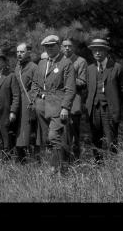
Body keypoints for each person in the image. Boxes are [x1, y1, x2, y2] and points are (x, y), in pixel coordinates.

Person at [31, 35, 76, 174]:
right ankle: (60, 167)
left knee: (54, 136)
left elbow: (70, 88)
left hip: (58, 105)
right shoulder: (42, 63)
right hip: (41, 106)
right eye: (46, 46)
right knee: (47, 139)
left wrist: (65, 107)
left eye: (52, 46)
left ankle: (56, 168)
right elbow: (34, 83)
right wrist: (35, 99)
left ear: (58, 46)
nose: (49, 49)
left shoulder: (65, 63)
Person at [85, 38, 123, 162]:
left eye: (100, 50)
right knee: (95, 140)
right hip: (94, 109)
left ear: (106, 51)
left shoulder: (117, 67)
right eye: (94, 50)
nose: (97, 53)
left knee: (111, 140)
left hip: (109, 109)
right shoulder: (90, 69)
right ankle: (98, 165)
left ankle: (113, 167)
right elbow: (88, 88)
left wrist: (115, 105)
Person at [62, 39, 87, 160]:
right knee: (60, 134)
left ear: (74, 47)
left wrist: (67, 79)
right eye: (65, 46)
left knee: (74, 134)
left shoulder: (80, 61)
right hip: (59, 101)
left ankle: (76, 161)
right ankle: (63, 161)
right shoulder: (59, 61)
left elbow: (82, 82)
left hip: (74, 103)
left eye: (69, 46)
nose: (67, 48)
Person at [14, 42, 38, 162]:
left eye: (22, 52)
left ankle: (28, 159)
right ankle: (19, 157)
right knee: (17, 129)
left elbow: (36, 85)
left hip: (27, 102)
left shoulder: (33, 67)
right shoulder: (17, 67)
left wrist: (32, 100)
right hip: (16, 101)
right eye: (17, 52)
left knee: (26, 130)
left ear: (28, 53)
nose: (19, 54)